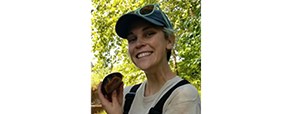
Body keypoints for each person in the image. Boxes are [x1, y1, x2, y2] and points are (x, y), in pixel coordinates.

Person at [97, 4, 201, 114]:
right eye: (132, 39)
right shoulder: (126, 96)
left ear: (169, 41)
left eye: (149, 34)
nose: (138, 44)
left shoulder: (183, 95)